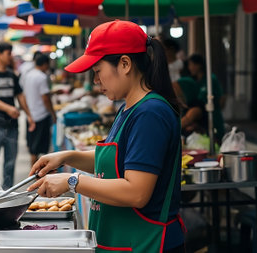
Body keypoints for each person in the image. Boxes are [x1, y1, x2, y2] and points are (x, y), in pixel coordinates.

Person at [27, 20, 186, 253]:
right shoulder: (129, 109)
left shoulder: (150, 113)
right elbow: (116, 160)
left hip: (146, 244)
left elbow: (137, 192)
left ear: (124, 64)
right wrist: (66, 157)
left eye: (98, 71)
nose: (95, 81)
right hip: (122, 242)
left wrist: (72, 181)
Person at [0, 42, 36, 190]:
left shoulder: (12, 75)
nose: (10, 56)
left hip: (12, 126)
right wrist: (8, 109)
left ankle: (7, 193)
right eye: (8, 53)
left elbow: (20, 96)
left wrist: (29, 115)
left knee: (10, 163)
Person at [21, 54, 57, 165]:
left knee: (33, 148)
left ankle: (35, 174)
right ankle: (37, 175)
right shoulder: (41, 77)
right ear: (45, 64)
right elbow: (45, 98)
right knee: (39, 149)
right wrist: (53, 113)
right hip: (41, 115)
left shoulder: (28, 75)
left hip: (32, 115)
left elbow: (24, 95)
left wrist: (28, 113)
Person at [188, 54, 225, 142]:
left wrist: (215, 110)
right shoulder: (194, 81)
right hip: (202, 120)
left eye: (192, 64)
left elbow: (222, 98)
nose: (190, 68)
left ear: (199, 65)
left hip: (213, 116)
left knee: (216, 140)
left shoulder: (210, 79)